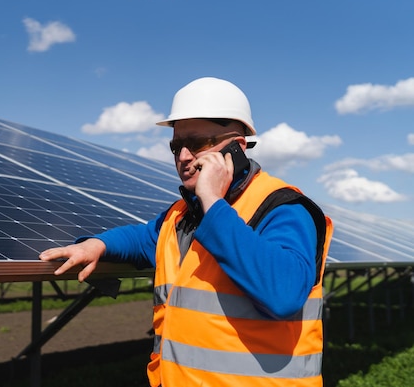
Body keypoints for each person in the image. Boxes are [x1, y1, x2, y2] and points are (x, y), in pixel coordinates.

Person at [39, 77, 333, 387]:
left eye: (197, 144)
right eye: (176, 146)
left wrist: (214, 202)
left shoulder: (283, 208)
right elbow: (142, 239)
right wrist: (97, 245)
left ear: (238, 146)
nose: (183, 157)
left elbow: (283, 294)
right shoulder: (181, 214)